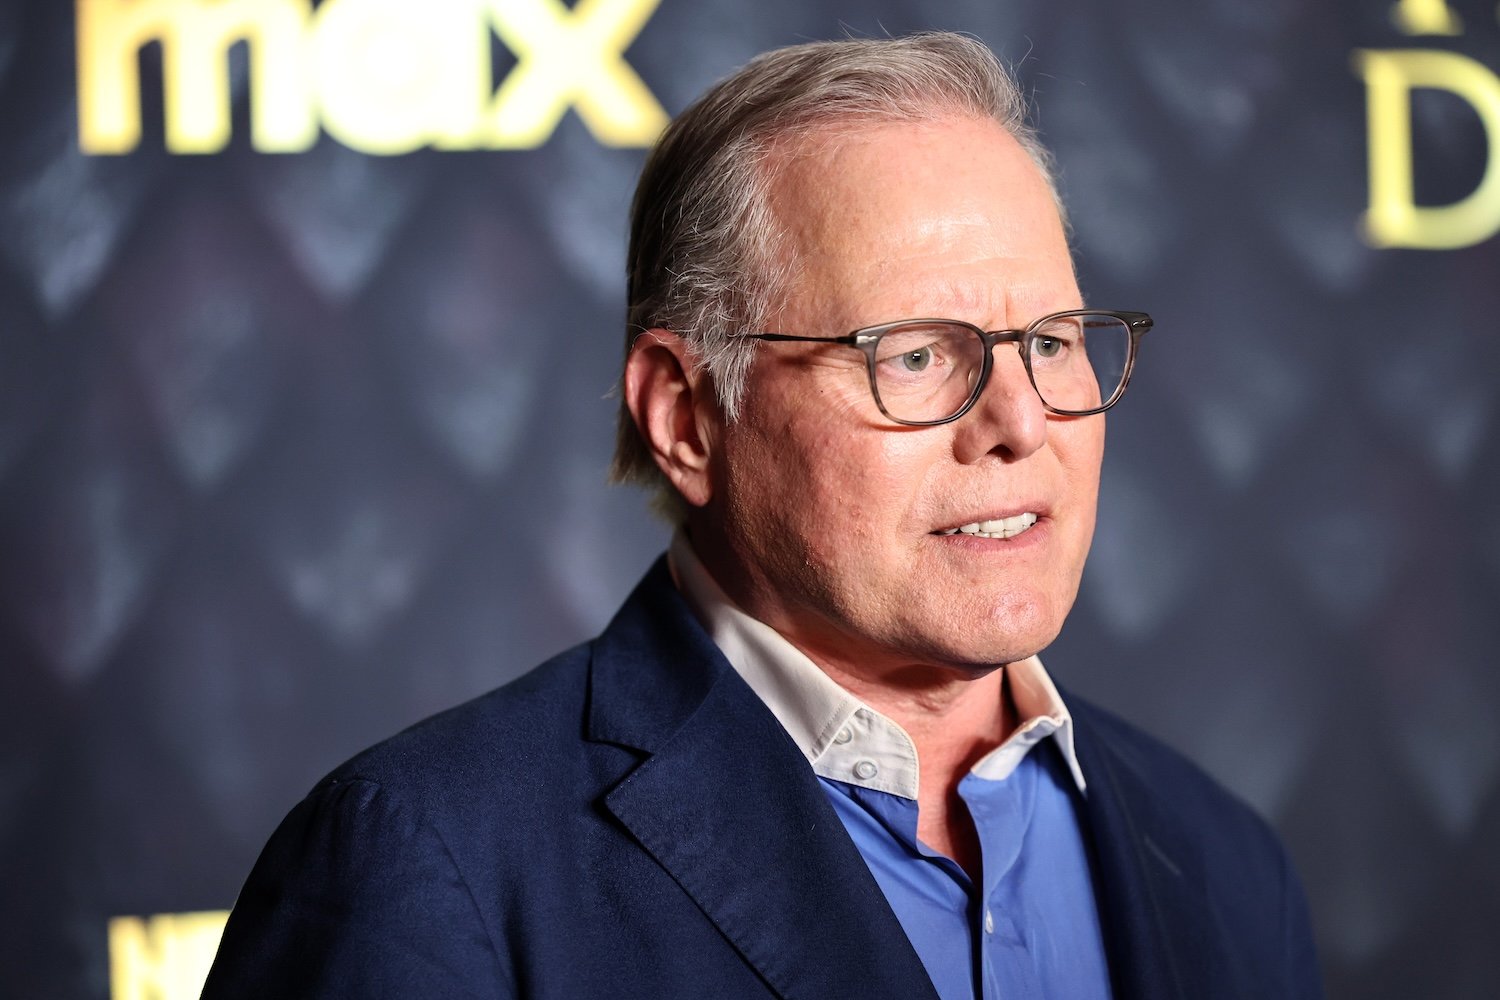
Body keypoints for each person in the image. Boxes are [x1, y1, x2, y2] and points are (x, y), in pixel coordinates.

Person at [203, 32, 1321, 1000]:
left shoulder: (1223, 862)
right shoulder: (431, 865)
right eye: (920, 355)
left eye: (1051, 341)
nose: (1021, 424)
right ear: (686, 416)